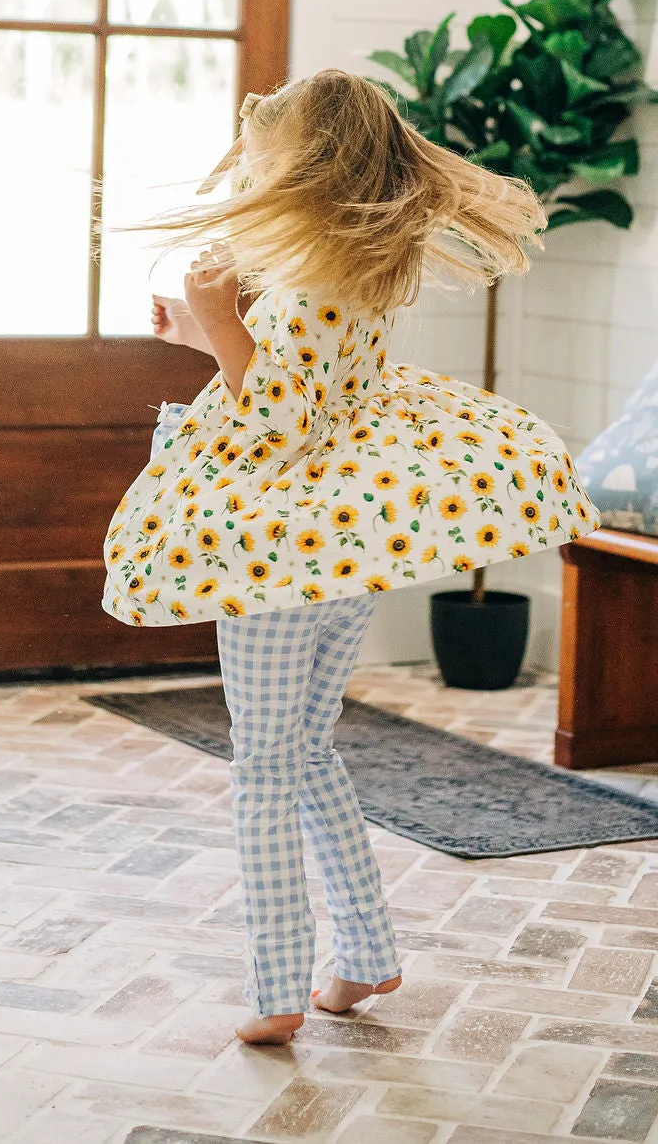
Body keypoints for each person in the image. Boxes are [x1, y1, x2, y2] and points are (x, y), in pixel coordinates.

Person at [101, 70, 600, 1047]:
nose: (251, 176)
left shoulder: (305, 288)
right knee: (304, 748)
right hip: (336, 546)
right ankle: (366, 956)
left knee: (261, 766)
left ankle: (277, 984)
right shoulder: (352, 273)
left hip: (275, 549)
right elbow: (307, 394)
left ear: (303, 168)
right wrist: (210, 334)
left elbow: (277, 421)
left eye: (263, 160)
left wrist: (221, 319)